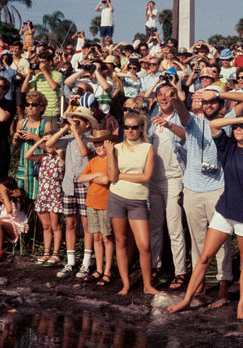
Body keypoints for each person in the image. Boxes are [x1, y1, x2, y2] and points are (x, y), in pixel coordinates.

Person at [168, 115, 243, 319]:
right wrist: (242, 118)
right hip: (225, 210)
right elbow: (213, 124)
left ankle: (241, 306)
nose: (239, 129)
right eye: (236, 127)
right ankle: (187, 299)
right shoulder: (228, 148)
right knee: (205, 257)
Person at [171, 85, 243, 306]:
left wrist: (218, 94)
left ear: (221, 104)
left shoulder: (229, 119)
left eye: (213, 102)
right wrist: (176, 98)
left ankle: (223, 287)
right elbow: (181, 111)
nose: (209, 105)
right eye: (205, 102)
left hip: (219, 188)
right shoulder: (194, 121)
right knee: (197, 241)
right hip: (193, 189)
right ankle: (200, 283)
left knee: (222, 242)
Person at [105, 111, 161, 295]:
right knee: (120, 242)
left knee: (144, 245)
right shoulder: (117, 147)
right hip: (117, 197)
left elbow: (146, 176)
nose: (130, 130)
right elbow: (111, 177)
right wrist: (110, 154)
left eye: (134, 127)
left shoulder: (148, 148)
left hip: (138, 200)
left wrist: (121, 175)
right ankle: (126, 284)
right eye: (127, 127)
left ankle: (147, 285)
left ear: (141, 128)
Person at [46, 108, 97, 279]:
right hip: (69, 185)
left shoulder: (90, 140)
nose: (75, 124)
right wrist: (64, 128)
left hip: (85, 185)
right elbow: (50, 144)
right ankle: (71, 261)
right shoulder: (67, 139)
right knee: (70, 224)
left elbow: (84, 152)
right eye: (73, 120)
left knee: (86, 224)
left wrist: (75, 132)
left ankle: (86, 262)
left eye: (78, 121)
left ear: (87, 124)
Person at [147, 81, 188, 289]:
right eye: (160, 94)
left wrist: (169, 125)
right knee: (154, 226)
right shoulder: (151, 121)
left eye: (168, 94)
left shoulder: (180, 118)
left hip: (174, 179)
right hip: (153, 180)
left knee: (174, 228)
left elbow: (187, 136)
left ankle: (180, 271)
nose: (163, 98)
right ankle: (156, 265)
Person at [78, 130, 119, 286]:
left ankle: (108, 270)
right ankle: (99, 269)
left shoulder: (111, 159)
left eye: (101, 144)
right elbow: (81, 178)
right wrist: (95, 176)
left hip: (106, 204)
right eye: (96, 144)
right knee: (96, 237)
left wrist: (94, 177)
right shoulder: (93, 161)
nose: (98, 147)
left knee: (107, 238)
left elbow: (107, 179)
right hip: (91, 203)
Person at [26, 134, 64, 265]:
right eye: (47, 144)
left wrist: (56, 145)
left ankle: (56, 253)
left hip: (55, 195)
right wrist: (40, 141)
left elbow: (62, 157)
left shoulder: (60, 157)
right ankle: (47, 252)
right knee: (46, 226)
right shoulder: (43, 157)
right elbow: (27, 156)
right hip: (42, 195)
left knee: (55, 225)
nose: (48, 146)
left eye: (51, 143)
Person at [13, 91, 51, 200]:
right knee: (22, 198)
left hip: (38, 166)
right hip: (23, 165)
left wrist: (35, 137)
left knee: (37, 199)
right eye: (27, 104)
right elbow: (15, 146)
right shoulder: (21, 123)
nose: (30, 107)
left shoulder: (46, 125)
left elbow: (49, 149)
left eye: (33, 105)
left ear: (41, 108)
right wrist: (16, 138)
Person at [0, 177, 28, 261]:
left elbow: (10, 211)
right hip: (4, 227)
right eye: (0, 191)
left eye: (4, 190)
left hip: (17, 228)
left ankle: (0, 251)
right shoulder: (2, 202)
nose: (1, 193)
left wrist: (6, 196)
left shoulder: (16, 200)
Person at [22, 51, 62, 129]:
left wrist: (44, 71)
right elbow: (24, 89)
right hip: (39, 111)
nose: (40, 64)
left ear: (50, 62)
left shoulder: (57, 74)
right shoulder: (39, 75)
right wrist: (29, 74)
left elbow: (53, 86)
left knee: (51, 137)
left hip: (51, 112)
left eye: (42, 62)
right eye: (39, 62)